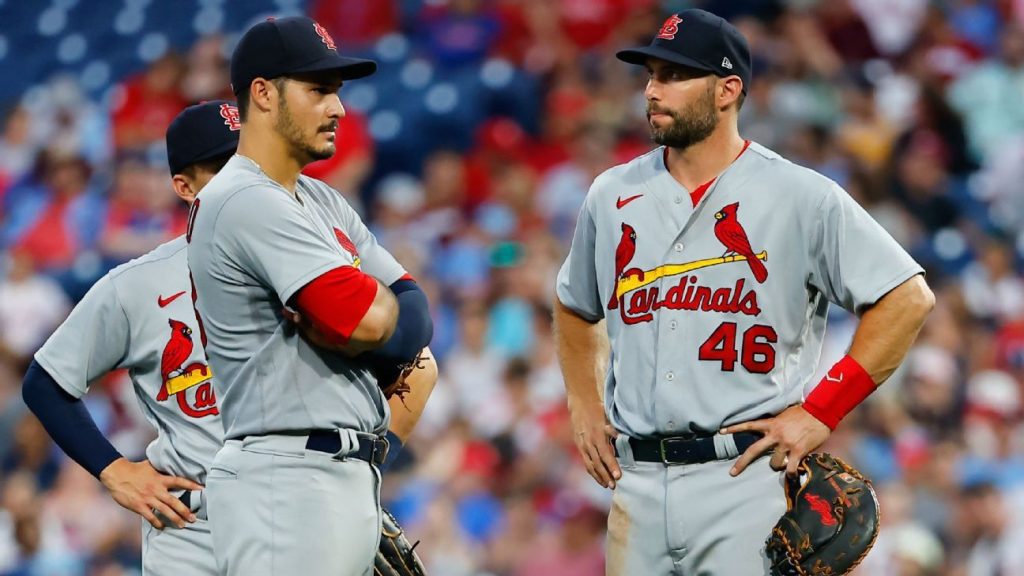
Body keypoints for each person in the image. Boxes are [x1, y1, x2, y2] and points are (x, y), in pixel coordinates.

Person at [552, 9, 935, 575]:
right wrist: (583, 404)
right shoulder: (612, 194)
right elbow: (574, 305)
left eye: (676, 76)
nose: (654, 90)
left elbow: (907, 297)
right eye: (651, 74)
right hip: (635, 483)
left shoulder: (799, 195)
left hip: (745, 479)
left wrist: (820, 412)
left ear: (728, 89)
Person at [185, 17, 433, 576]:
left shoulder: (320, 199)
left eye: (337, 92)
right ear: (264, 93)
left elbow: (413, 310)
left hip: (335, 472)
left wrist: (380, 328)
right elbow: (370, 321)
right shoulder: (244, 199)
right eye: (318, 90)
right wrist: (381, 329)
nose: (338, 108)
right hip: (286, 482)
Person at [21, 100, 239, 576]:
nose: (241, 178)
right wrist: (114, 471)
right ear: (184, 187)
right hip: (195, 531)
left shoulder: (312, 266)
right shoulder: (139, 284)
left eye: (248, 161)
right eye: (222, 166)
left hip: (299, 516)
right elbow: (45, 383)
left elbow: (406, 358)